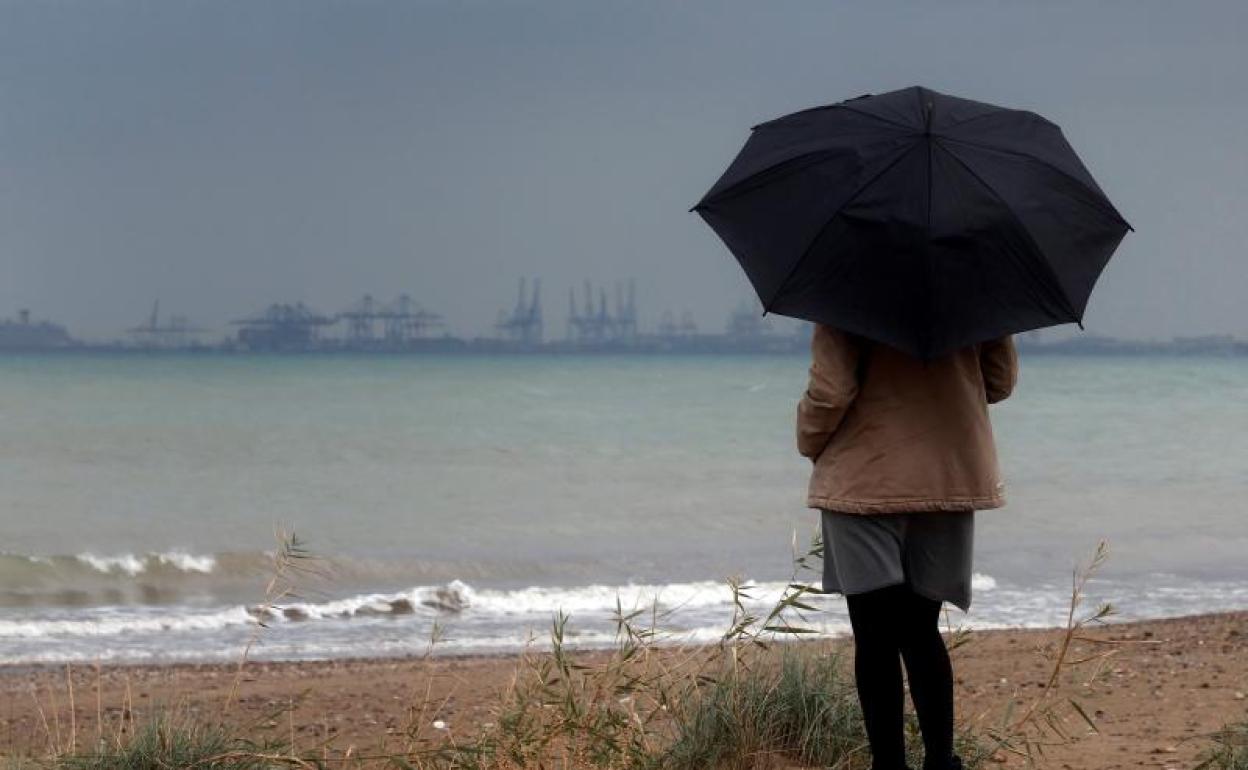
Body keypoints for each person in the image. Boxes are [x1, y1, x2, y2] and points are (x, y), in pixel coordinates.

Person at [796, 323, 1018, 770]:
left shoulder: (847, 285)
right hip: (946, 476)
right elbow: (999, 382)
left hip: (864, 479)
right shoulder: (971, 281)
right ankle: (940, 761)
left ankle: (889, 765)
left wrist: (807, 438)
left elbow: (831, 390)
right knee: (920, 631)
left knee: (874, 636)